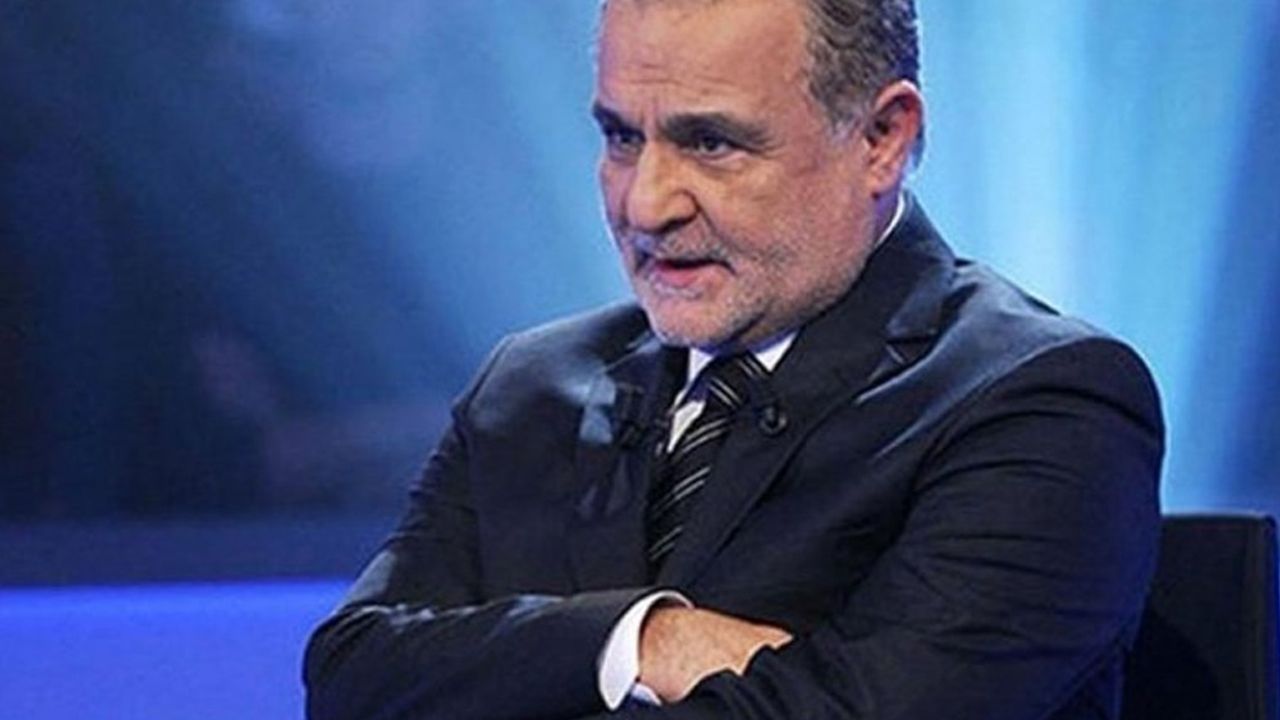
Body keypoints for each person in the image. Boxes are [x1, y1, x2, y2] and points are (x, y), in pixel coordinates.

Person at [303, 0, 1163, 718]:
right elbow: (350, 676)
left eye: (711, 143)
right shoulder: (530, 389)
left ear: (882, 138)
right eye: (622, 138)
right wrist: (644, 638)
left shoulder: (1042, 404)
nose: (647, 205)